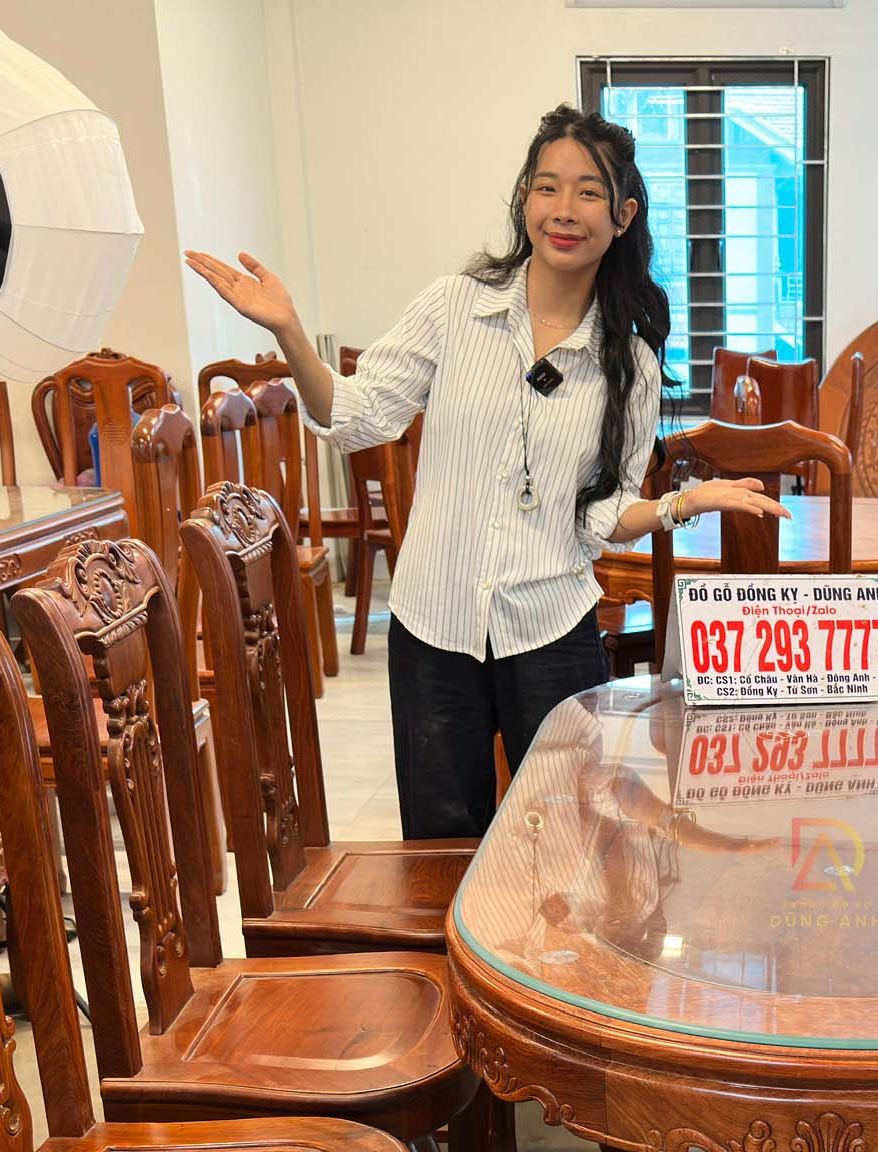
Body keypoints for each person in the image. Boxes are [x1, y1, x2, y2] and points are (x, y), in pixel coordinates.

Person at [187, 104, 788, 838]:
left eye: (589, 193)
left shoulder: (627, 363)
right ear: (525, 197)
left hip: (553, 631)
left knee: (567, 848)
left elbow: (600, 517)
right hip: (433, 627)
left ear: (623, 215)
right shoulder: (455, 308)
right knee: (441, 848)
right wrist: (288, 329)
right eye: (547, 186)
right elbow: (354, 415)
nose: (563, 210)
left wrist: (683, 504)